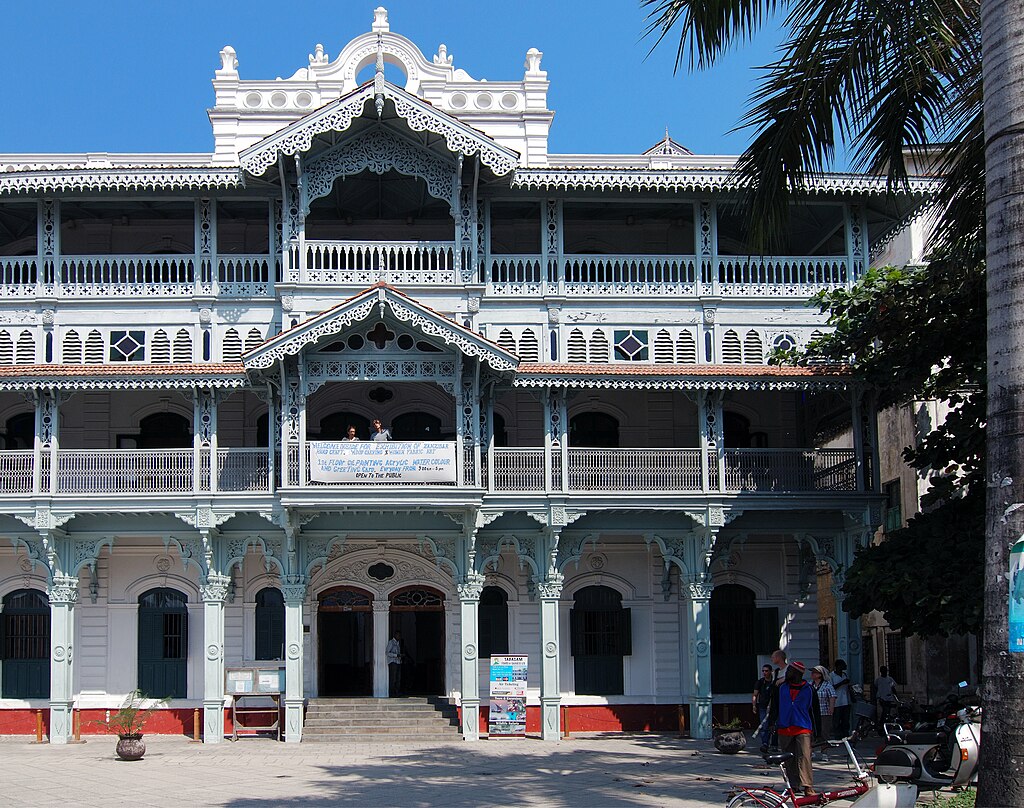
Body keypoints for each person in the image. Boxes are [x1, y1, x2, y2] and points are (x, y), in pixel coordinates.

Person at [768, 661, 821, 798]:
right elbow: (774, 707)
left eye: (790, 671)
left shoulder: (809, 689)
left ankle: (808, 786)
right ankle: (794, 784)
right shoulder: (780, 688)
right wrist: (772, 723)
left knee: (804, 756)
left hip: (803, 727)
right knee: (789, 758)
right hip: (784, 726)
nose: (787, 673)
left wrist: (818, 731)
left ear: (797, 674)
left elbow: (815, 711)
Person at [811, 665, 837, 759]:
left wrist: (831, 707)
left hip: (824, 712)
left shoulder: (827, 685)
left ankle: (824, 752)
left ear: (820, 675)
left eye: (815, 672)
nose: (812, 674)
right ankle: (812, 751)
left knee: (824, 732)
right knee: (812, 732)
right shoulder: (811, 685)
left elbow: (832, 696)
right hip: (813, 713)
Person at [752, 663, 774, 752]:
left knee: (774, 726)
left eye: (766, 671)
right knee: (764, 726)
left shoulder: (774, 682)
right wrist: (754, 705)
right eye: (763, 671)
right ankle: (765, 743)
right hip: (763, 706)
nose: (764, 673)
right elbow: (755, 694)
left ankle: (774, 744)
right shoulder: (760, 682)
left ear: (771, 671)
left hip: (773, 707)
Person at [831, 658, 852, 738]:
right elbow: (831, 688)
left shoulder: (845, 675)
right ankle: (837, 735)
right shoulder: (831, 676)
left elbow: (848, 687)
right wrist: (842, 683)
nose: (845, 666)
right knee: (836, 720)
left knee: (845, 720)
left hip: (846, 701)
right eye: (843, 664)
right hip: (837, 702)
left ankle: (845, 735)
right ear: (838, 666)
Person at [386, 629, 403, 696]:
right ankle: (392, 692)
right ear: (395, 635)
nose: (399, 636)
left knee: (398, 678)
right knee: (393, 678)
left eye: (400, 635)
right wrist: (396, 655)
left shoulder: (398, 643)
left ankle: (397, 692)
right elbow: (387, 653)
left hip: (398, 662)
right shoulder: (391, 642)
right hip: (393, 662)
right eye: (398, 635)